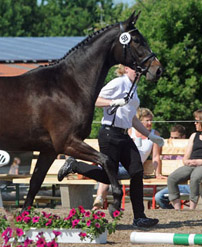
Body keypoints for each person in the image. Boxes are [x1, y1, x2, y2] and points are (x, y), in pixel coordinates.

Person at [58, 65, 164, 228]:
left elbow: (133, 119)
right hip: (109, 135)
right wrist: (113, 101)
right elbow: (94, 99)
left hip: (124, 135)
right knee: (109, 177)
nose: (138, 71)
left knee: (137, 171)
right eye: (134, 68)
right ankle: (76, 165)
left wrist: (151, 136)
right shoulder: (118, 83)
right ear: (126, 69)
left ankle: (139, 217)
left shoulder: (133, 87)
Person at [92, 107, 163, 210]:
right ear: (139, 121)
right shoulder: (130, 131)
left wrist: (158, 173)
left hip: (131, 167)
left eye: (151, 120)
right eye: (147, 120)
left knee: (108, 172)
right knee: (109, 170)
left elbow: (156, 156)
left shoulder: (154, 134)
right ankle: (101, 201)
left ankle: (99, 200)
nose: (150, 123)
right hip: (119, 162)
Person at [167, 109, 202, 210]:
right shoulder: (194, 135)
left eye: (197, 121)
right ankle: (177, 209)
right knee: (172, 178)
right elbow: (186, 156)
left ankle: (192, 209)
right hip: (191, 164)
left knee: (195, 178)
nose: (195, 123)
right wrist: (187, 161)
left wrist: (199, 162)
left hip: (201, 164)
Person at [155, 124, 190, 209]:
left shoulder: (189, 149)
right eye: (171, 137)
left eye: (176, 138)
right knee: (158, 197)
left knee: (159, 196)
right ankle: (175, 213)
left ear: (183, 137)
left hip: (187, 184)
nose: (173, 140)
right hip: (172, 183)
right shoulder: (168, 151)